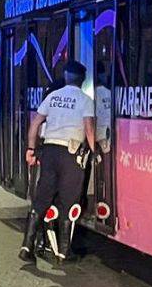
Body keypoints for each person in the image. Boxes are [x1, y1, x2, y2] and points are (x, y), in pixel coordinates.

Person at [19, 60, 97, 262]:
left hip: (49, 151)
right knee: (69, 201)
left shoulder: (53, 96)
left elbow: (35, 123)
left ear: (65, 76)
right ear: (83, 80)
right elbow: (89, 128)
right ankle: (63, 251)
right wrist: (94, 151)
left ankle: (26, 247)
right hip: (71, 154)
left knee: (41, 198)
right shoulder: (85, 100)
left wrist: (31, 148)